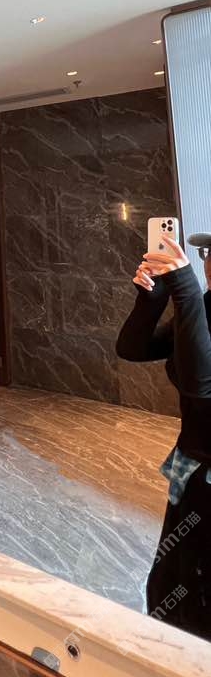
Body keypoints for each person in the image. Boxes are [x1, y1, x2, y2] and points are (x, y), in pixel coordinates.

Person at [116, 235, 211, 640]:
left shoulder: (197, 301)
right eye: (208, 253)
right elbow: (132, 348)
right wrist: (152, 299)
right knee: (171, 577)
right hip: (190, 465)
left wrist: (186, 290)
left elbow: (201, 384)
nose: (208, 262)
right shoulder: (206, 305)